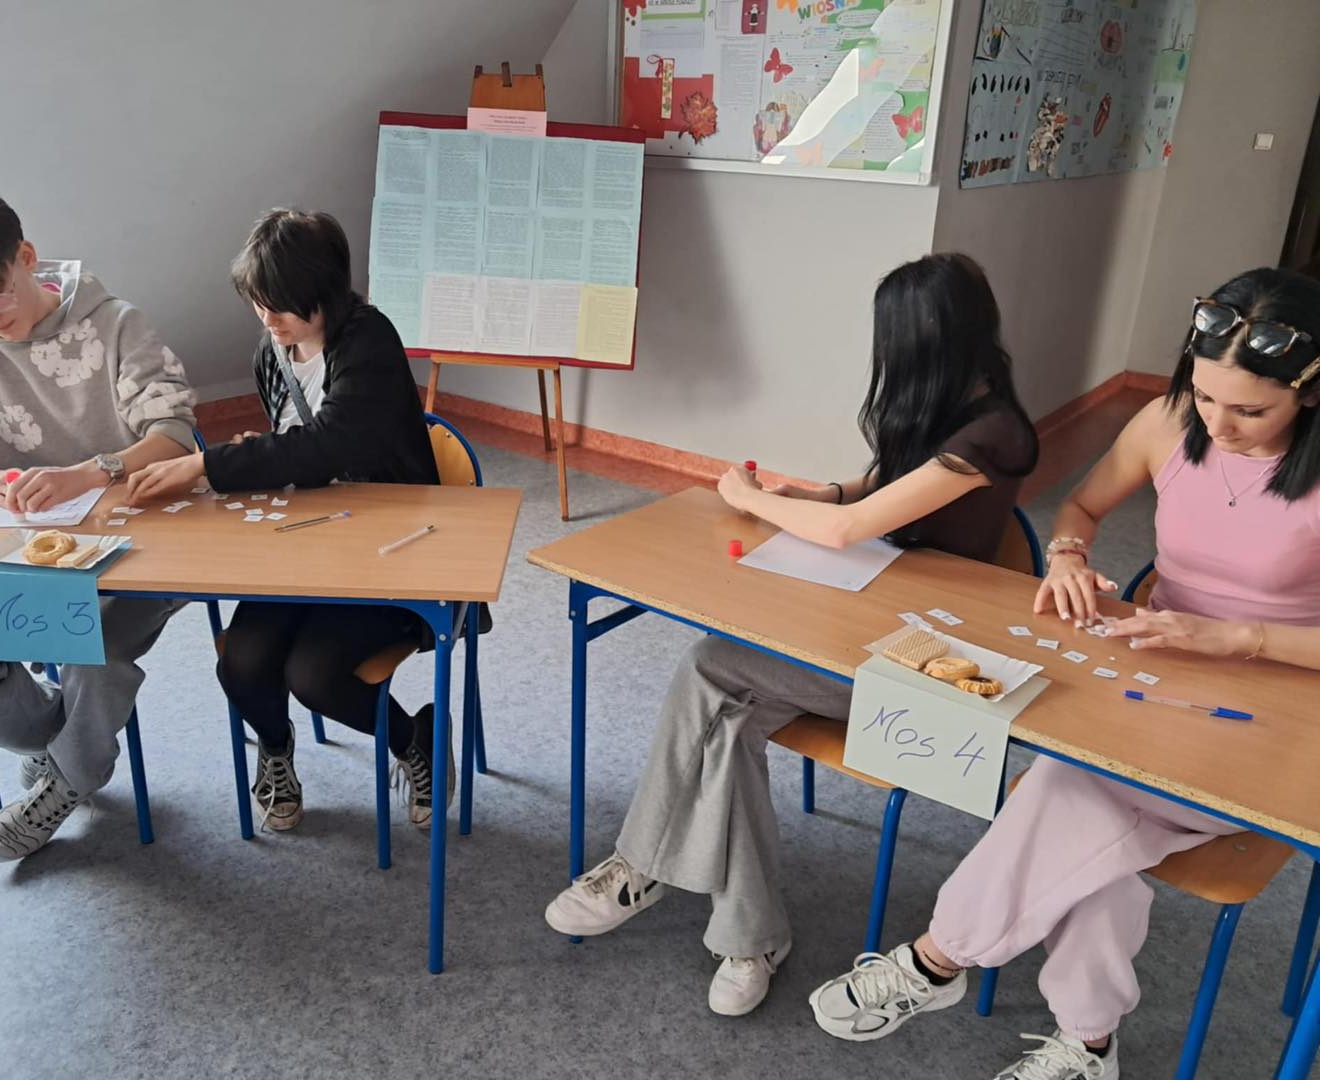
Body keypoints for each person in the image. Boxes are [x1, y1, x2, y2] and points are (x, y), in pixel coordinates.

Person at [809, 267, 1320, 1080]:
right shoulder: (1168, 422)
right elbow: (1079, 510)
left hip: (1282, 711)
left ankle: (938, 959)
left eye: (1251, 411)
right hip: (1157, 667)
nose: (1218, 424)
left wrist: (1239, 636)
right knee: (1088, 810)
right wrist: (1070, 556)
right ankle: (1088, 1043)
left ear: (1310, 394)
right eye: (1206, 396)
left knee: (1067, 785)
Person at [543, 253, 1039, 1016]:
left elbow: (847, 531)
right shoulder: (953, 404)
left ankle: (640, 864)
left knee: (711, 666)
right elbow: (880, 489)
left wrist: (751, 498)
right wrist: (810, 493)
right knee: (730, 723)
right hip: (883, 616)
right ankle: (752, 937)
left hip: (925, 666)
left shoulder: (996, 431)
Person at [0, 183, 197, 861]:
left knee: (93, 655)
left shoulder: (115, 324)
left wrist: (91, 472)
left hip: (140, 539)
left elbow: (174, 436)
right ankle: (68, 748)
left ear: (26, 257)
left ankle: (69, 779)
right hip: (22, 549)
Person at [126, 208, 445, 833]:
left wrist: (207, 463)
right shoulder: (272, 348)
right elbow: (295, 440)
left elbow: (330, 445)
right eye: (259, 304)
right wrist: (261, 453)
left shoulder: (369, 341)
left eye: (284, 306)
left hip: (389, 543)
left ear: (326, 292)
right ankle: (275, 750)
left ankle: (416, 740)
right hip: (308, 541)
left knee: (316, 675)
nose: (270, 320)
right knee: (242, 663)